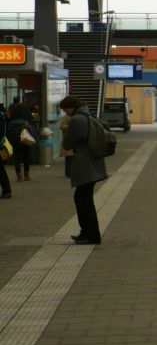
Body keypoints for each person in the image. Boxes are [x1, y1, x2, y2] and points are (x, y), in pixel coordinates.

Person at [59, 95, 108, 245]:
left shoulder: (77, 120)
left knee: (83, 200)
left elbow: (68, 144)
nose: (65, 113)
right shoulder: (89, 115)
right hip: (93, 162)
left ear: (70, 107)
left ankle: (90, 234)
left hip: (85, 163)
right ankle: (88, 233)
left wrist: (67, 132)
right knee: (84, 198)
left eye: (65, 110)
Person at [7, 99, 34, 182]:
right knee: (26, 157)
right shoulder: (25, 123)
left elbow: (9, 132)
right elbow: (31, 132)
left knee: (17, 158)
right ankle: (27, 176)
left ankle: (19, 176)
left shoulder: (11, 123)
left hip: (15, 141)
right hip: (25, 141)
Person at [0, 103, 12, 199]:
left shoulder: (1, 115)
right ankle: (7, 191)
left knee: (0, 170)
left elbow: (2, 132)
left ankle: (7, 191)